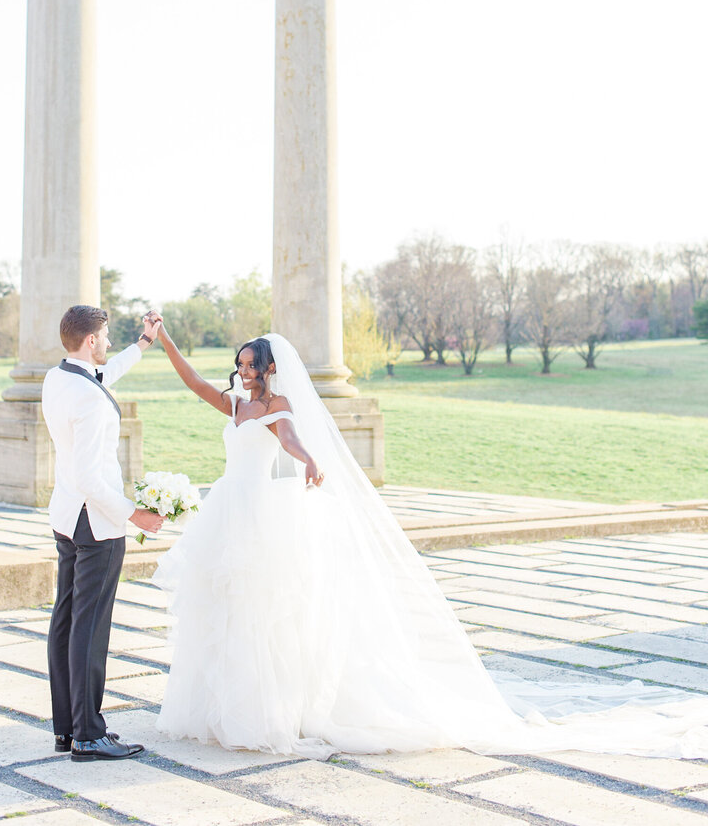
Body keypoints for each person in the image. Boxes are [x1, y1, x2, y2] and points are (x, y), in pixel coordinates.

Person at [152, 327, 708, 760]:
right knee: (226, 609)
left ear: (271, 369)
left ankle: (266, 713)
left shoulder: (278, 408)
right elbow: (195, 383)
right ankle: (223, 710)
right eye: (240, 364)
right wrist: (167, 340)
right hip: (230, 511)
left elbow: (293, 440)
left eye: (252, 365)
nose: (243, 371)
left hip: (261, 514)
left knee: (265, 612)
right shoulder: (234, 403)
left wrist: (310, 459)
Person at [41, 304, 165, 762]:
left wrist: (143, 343)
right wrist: (135, 515)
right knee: (89, 629)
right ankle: (89, 734)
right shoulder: (90, 400)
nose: (109, 343)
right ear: (91, 340)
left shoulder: (58, 378)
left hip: (66, 517)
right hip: (96, 523)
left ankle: (67, 728)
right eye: (106, 336)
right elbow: (92, 478)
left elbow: (103, 375)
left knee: (66, 621)